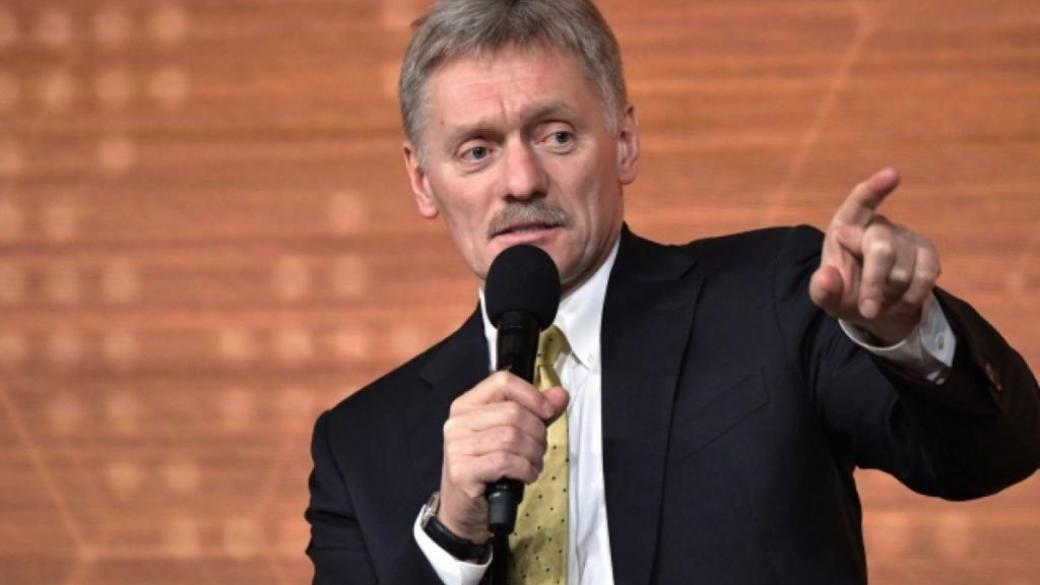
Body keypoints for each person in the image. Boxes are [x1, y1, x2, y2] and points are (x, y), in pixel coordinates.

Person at [304, 1, 1039, 584]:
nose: (521, 181)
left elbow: (996, 453)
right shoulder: (360, 446)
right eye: (477, 151)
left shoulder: (774, 300)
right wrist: (453, 535)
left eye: (556, 135)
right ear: (422, 181)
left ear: (623, 143)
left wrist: (907, 334)